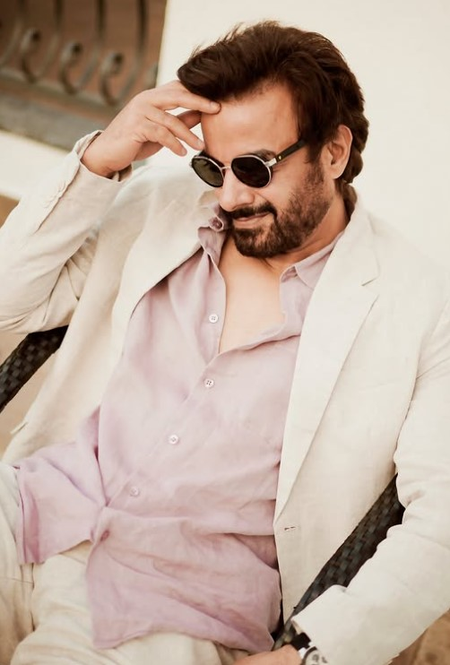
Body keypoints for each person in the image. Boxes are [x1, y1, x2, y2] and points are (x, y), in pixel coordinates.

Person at [0, 19, 449, 665]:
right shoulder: (161, 206)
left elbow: (443, 518)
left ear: (333, 151)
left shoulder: (421, 304)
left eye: (255, 167)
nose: (232, 196)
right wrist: (102, 158)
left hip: (174, 604)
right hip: (36, 513)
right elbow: (10, 300)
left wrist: (315, 652)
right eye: (214, 167)